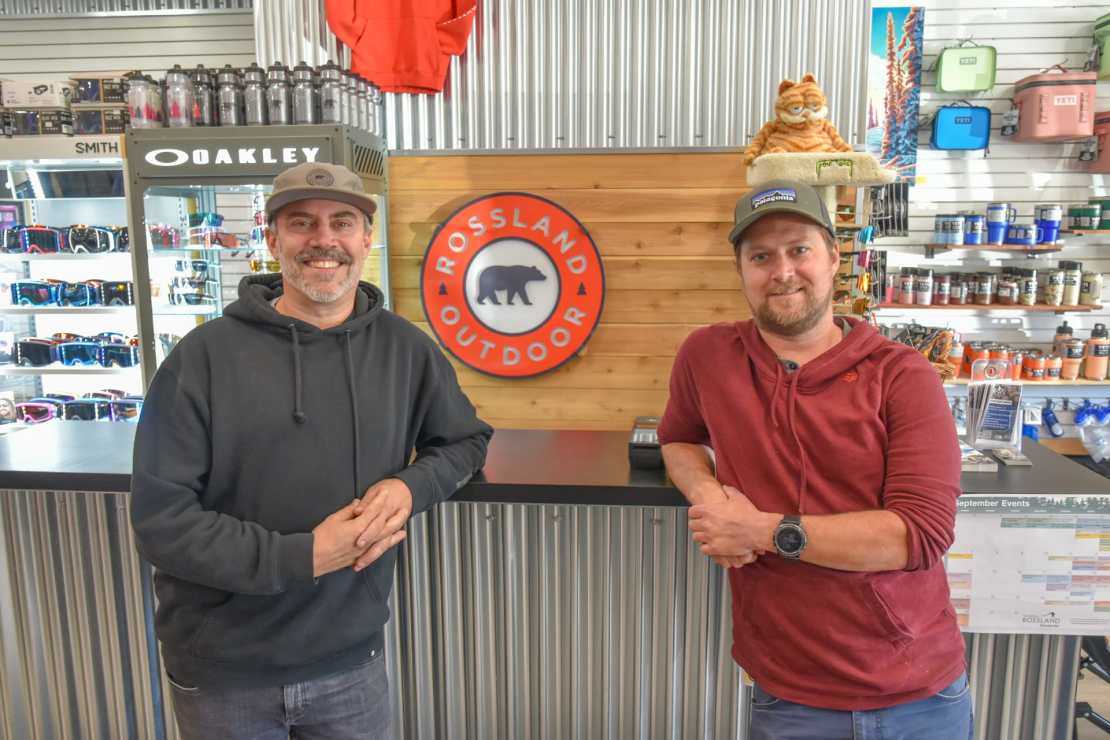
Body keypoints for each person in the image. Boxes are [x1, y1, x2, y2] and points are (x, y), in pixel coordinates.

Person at [130, 162, 492, 739]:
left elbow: (466, 440)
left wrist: (409, 486)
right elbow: (161, 522)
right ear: (271, 238)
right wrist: (303, 556)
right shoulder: (200, 360)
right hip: (225, 668)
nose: (324, 240)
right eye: (301, 223)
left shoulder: (406, 351)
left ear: (365, 238)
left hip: (350, 660)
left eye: (342, 222)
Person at [658, 180, 970, 738]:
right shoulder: (706, 355)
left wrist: (757, 530)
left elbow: (917, 536)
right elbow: (679, 439)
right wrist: (712, 500)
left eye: (799, 249)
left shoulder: (903, 374)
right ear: (741, 271)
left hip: (914, 694)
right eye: (761, 256)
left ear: (833, 257)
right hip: (787, 691)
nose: (782, 271)